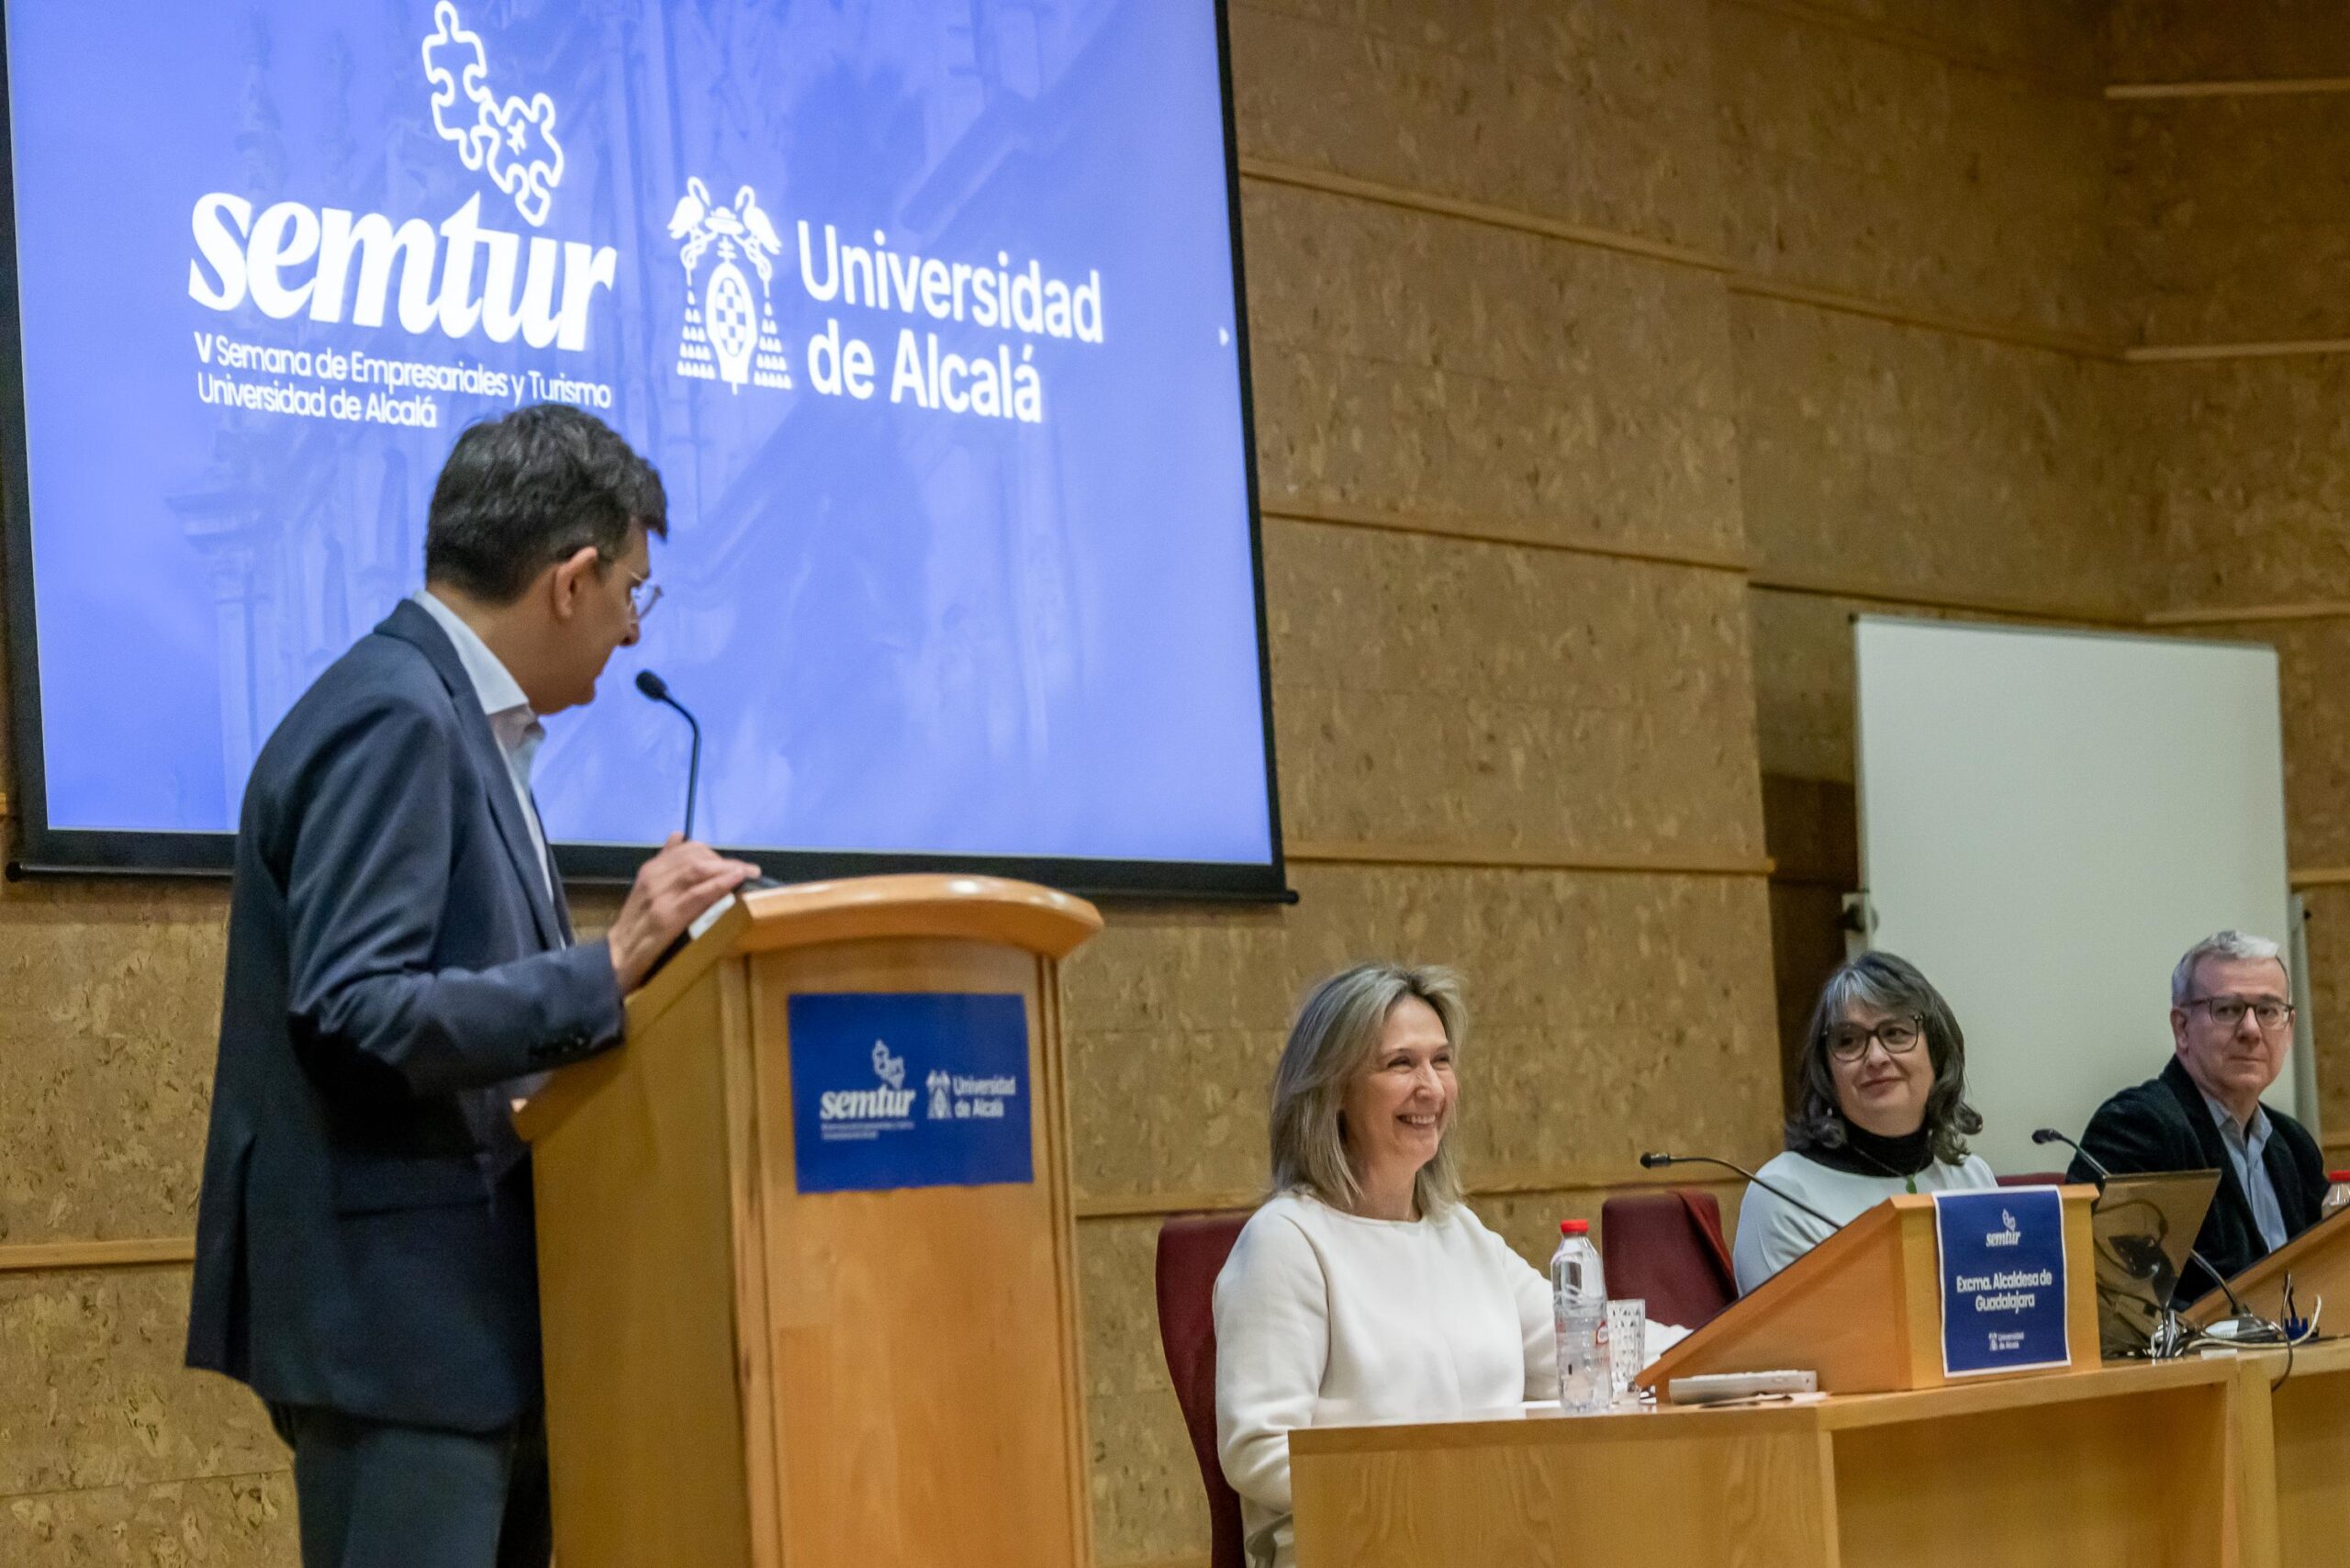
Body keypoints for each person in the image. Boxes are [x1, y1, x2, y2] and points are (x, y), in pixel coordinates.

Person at [185, 405, 760, 1568]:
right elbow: (357, 1008)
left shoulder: (449, 717)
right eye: (632, 595)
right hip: (405, 1338)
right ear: (571, 577)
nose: (631, 635)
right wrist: (603, 965)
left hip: (463, 1332)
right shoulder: (397, 716)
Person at [1213, 963, 1554, 1568]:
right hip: (1355, 1547)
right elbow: (1259, 1450)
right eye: (1401, 1064)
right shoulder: (1287, 1242)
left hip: (1492, 1539)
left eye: (1441, 1061)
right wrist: (1426, 1490)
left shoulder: (1463, 1236)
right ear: (1333, 1090)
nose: (1431, 1087)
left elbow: (1585, 1356)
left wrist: (1733, 1356)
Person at [2069, 929, 2326, 1305]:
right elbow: (2114, 1302)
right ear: (2182, 1028)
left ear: (2288, 1028)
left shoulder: (2293, 1145)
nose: (2251, 1031)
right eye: (2228, 1010)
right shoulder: (2138, 1128)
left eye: (2269, 1011)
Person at [1732, 951, 1996, 1293]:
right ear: (1827, 1071)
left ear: (1938, 1051)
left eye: (1896, 1033)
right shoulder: (1782, 1195)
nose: (1875, 1057)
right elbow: (1795, 1344)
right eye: (1849, 1041)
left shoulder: (1973, 1178)